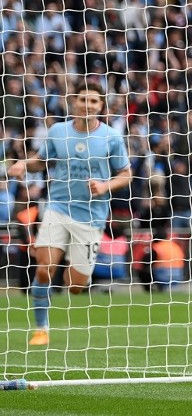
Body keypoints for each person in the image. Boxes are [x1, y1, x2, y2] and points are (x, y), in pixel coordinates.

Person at [8, 81, 132, 346]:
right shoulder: (57, 131)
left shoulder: (110, 136)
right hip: (58, 207)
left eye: (94, 101)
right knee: (43, 271)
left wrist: (105, 185)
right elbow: (42, 162)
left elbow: (126, 174)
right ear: (73, 102)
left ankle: (70, 268)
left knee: (76, 286)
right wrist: (22, 164)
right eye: (83, 100)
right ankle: (41, 328)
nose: (88, 105)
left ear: (101, 106)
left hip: (90, 216)